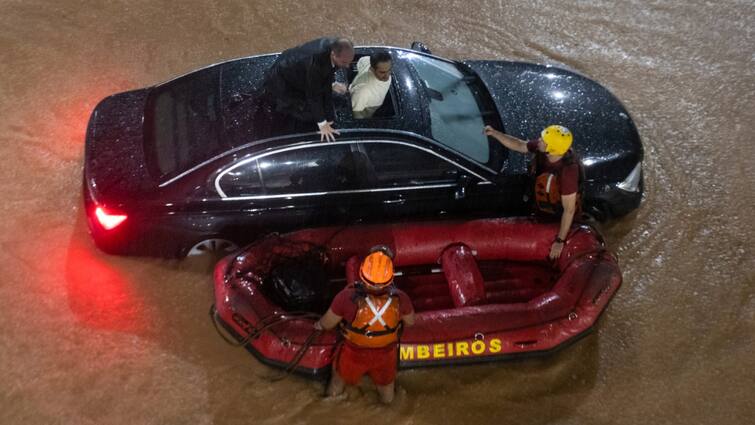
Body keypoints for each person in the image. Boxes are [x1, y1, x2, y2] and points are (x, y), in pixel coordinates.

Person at [314, 246, 415, 404]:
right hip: (385, 355)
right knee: (387, 393)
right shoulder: (401, 298)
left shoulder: (346, 298)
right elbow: (410, 322)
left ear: (362, 273)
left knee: (337, 382)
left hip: (354, 353)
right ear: (390, 277)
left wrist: (317, 325)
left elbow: (327, 324)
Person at [484, 124, 582, 261]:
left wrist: (560, 241)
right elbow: (519, 145)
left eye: (543, 140)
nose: (538, 141)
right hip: (542, 207)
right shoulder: (546, 149)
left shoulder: (568, 172)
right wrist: (495, 133)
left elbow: (569, 210)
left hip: (557, 216)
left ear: (551, 149)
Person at [263, 37, 354, 141]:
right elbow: (313, 96)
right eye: (344, 62)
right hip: (284, 82)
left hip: (296, 67)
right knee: (304, 112)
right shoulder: (315, 65)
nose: (347, 66)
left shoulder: (336, 46)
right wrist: (322, 124)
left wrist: (332, 83)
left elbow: (327, 71)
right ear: (333, 54)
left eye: (349, 62)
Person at [349, 51, 392, 119]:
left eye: (389, 70)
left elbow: (362, 60)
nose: (387, 76)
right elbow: (356, 115)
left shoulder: (367, 62)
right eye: (382, 72)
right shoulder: (363, 92)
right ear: (372, 69)